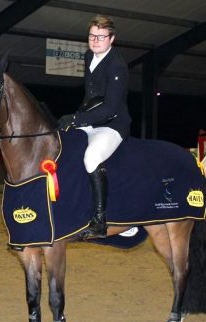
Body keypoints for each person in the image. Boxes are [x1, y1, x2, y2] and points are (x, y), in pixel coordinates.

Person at [58, 15, 132, 239]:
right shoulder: (89, 55)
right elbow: (91, 95)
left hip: (112, 124)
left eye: (101, 37)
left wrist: (75, 119)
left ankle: (100, 221)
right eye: (92, 36)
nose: (95, 40)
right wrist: (72, 120)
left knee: (91, 157)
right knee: (62, 145)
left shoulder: (117, 65)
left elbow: (110, 107)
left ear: (112, 39)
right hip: (90, 120)